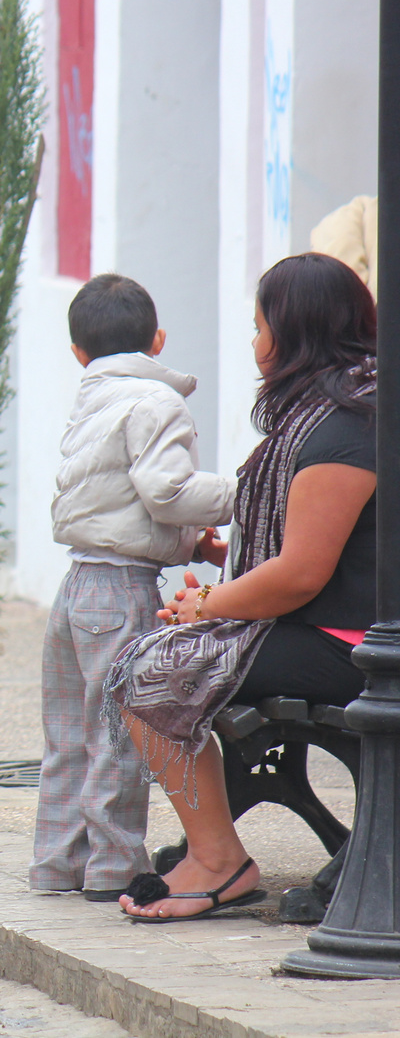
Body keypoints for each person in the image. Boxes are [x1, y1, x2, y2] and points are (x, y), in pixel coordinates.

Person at [109, 252, 376, 922]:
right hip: (343, 628)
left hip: (357, 646)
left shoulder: (345, 427)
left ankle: (220, 862)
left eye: (260, 328)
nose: (255, 345)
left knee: (150, 672)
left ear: (291, 334)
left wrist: (209, 605)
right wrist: (218, 602)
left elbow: (300, 574)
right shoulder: (354, 406)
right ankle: (217, 853)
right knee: (179, 648)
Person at [33, 274, 235, 901]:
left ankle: (57, 864)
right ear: (158, 339)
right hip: (121, 592)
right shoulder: (156, 402)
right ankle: (114, 868)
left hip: (77, 587)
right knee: (122, 731)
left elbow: (114, 501)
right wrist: (244, 491)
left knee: (68, 734)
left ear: (77, 353)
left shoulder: (89, 399)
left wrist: (186, 545)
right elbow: (166, 491)